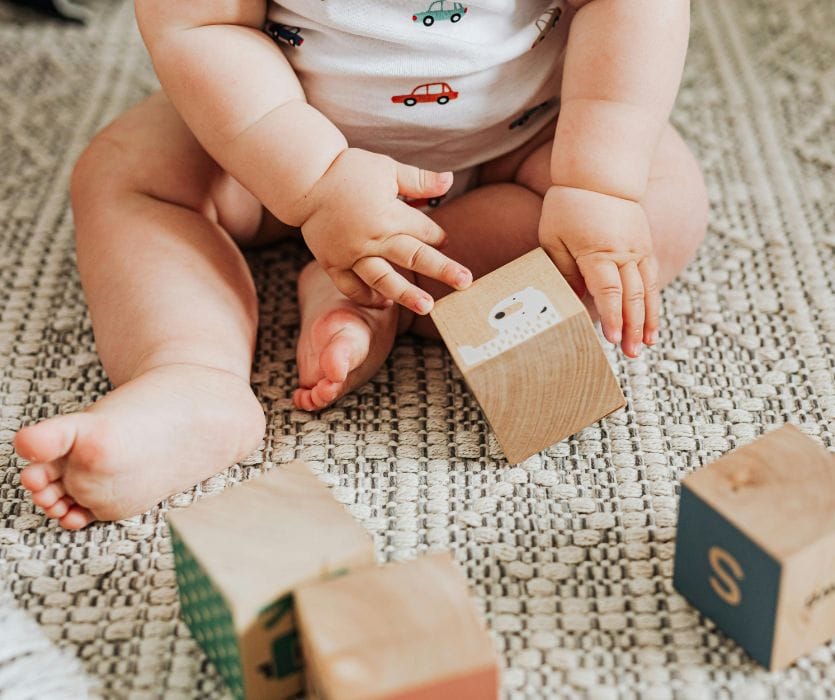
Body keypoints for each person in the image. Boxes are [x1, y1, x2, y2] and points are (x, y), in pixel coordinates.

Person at [14, 0, 707, 529]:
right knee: (129, 178)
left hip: (526, 133)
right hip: (275, 139)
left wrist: (594, 182)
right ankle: (191, 376)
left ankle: (378, 294)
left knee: (661, 210)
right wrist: (316, 181)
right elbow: (203, 29)